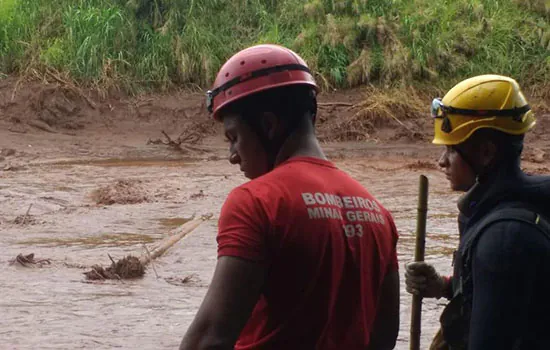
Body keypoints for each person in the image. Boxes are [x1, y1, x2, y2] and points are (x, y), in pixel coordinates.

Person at [179, 44, 400, 350]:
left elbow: (209, 340)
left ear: (269, 125)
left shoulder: (256, 203)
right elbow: (384, 338)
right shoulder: (378, 214)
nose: (232, 155)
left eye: (234, 138)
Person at [405, 74, 550, 349]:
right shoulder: (512, 209)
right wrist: (445, 287)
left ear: (485, 153)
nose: (441, 162)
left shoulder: (503, 240)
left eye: (451, 149)